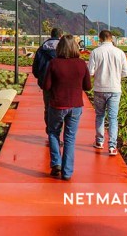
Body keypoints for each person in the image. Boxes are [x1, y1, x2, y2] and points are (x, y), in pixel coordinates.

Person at [43, 35, 92, 181]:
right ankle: (67, 172)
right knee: (70, 138)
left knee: (53, 133)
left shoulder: (54, 63)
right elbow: (88, 87)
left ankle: (56, 163)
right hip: (76, 105)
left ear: (60, 48)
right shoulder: (81, 64)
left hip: (57, 104)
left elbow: (46, 86)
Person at [88, 30, 127, 156]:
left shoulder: (95, 52)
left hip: (100, 88)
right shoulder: (120, 52)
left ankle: (99, 141)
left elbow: (90, 72)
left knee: (100, 115)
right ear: (111, 38)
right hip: (115, 89)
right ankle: (112, 146)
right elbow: (125, 72)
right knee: (113, 118)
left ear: (100, 39)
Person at [32, 28, 61, 136]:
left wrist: (40, 77)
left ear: (50, 35)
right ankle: (57, 132)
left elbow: (35, 68)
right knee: (60, 108)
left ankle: (50, 132)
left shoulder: (41, 49)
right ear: (60, 36)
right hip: (60, 83)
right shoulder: (63, 49)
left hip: (45, 82)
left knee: (48, 107)